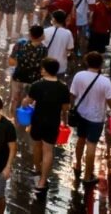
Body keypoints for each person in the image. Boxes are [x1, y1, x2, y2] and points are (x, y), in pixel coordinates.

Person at [69, 51, 111, 186]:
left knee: (80, 139)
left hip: (80, 113)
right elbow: (110, 100)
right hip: (96, 117)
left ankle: (78, 164)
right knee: (91, 144)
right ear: (101, 65)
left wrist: (69, 108)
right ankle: (87, 176)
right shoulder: (105, 82)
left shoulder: (79, 76)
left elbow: (72, 95)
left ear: (86, 62)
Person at [23, 58, 70, 195]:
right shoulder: (62, 87)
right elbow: (65, 108)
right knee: (48, 150)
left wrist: (24, 102)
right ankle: (43, 181)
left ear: (45, 69)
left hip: (37, 121)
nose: (41, 69)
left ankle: (37, 168)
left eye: (42, 68)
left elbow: (28, 102)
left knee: (37, 145)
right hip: (52, 122)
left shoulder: (37, 85)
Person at [8, 26, 47, 114]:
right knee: (28, 102)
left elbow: (11, 61)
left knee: (14, 99)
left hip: (18, 77)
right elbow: (43, 67)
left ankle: (13, 117)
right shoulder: (43, 49)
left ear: (30, 35)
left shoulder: (20, 44)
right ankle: (23, 121)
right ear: (41, 36)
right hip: (33, 81)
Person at [42, 10, 75, 77]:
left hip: (46, 64)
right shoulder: (67, 33)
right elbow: (70, 49)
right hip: (61, 66)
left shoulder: (45, 31)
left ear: (53, 19)